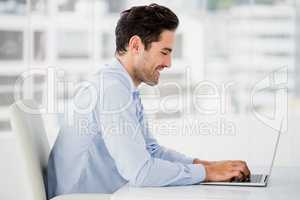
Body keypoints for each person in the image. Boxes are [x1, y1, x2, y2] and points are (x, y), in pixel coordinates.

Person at [47, 3, 250, 199]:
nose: (168, 63)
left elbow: (151, 151)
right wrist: (206, 174)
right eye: (164, 52)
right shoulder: (112, 90)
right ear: (136, 45)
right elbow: (141, 172)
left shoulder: (123, 87)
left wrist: (206, 166)